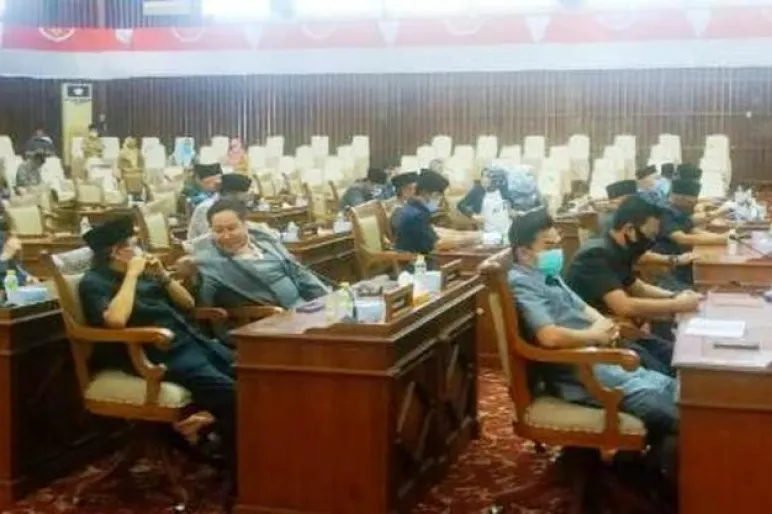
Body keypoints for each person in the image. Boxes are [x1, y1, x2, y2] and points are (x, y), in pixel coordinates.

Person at [507, 207, 678, 476]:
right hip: (581, 371)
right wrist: (595, 335)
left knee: (677, 391)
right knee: (676, 414)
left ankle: (639, 469)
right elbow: (549, 336)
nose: (557, 251)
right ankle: (656, 480)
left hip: (600, 359)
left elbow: (585, 309)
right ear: (523, 252)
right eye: (548, 246)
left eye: (557, 244)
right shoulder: (522, 282)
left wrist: (603, 327)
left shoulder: (547, 275)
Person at [78, 217, 235, 468]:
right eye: (134, 245)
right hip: (155, 354)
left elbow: (188, 304)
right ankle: (237, 463)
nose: (140, 251)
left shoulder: (147, 274)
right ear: (117, 252)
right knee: (230, 392)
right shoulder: (94, 282)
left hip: (191, 341)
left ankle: (217, 435)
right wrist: (131, 275)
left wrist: (163, 275)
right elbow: (116, 320)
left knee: (252, 375)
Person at [565, 195, 702, 363]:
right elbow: (624, 306)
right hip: (597, 338)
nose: (651, 242)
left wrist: (675, 296)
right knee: (676, 363)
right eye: (650, 235)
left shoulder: (618, 248)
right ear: (630, 229)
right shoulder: (596, 255)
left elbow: (637, 287)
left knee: (676, 354)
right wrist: (678, 305)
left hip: (619, 328)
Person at [192, 198, 330, 309]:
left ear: (245, 225)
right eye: (218, 230)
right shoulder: (211, 261)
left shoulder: (265, 242)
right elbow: (206, 304)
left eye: (232, 228)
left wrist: (329, 299)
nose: (226, 236)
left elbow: (299, 273)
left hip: (304, 307)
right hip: (271, 320)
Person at [653, 179, 733, 284]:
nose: (694, 204)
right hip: (666, 265)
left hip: (681, 259)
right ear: (678, 198)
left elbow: (691, 227)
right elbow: (682, 239)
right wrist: (722, 239)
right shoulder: (665, 213)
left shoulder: (677, 211)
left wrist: (724, 236)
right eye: (690, 202)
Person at [394, 168, 479, 255]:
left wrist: (465, 235)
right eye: (437, 196)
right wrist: (469, 240)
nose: (439, 201)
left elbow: (434, 233)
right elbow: (436, 244)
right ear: (425, 193)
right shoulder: (416, 215)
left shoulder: (414, 209)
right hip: (416, 260)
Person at [187, 173, 253, 242]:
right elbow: (213, 237)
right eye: (245, 193)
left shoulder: (234, 206)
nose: (247, 198)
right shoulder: (207, 208)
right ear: (230, 193)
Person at [457, 164, 514, 236]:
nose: (483, 179)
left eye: (488, 177)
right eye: (482, 176)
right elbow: (461, 205)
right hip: (488, 232)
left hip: (507, 229)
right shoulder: (478, 190)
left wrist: (511, 211)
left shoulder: (503, 189)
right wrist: (473, 215)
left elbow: (510, 206)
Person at [388, 170, 418, 237]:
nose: (415, 192)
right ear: (403, 191)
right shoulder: (398, 210)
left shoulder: (407, 205)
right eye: (411, 189)